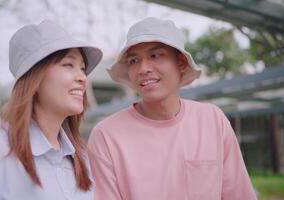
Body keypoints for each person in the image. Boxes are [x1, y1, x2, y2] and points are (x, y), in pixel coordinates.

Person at [87, 17, 257, 200]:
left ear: (181, 63)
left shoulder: (212, 120)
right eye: (134, 60)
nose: (143, 68)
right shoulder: (107, 136)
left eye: (155, 55)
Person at [0, 20, 102, 200]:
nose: (83, 78)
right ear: (35, 77)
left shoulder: (82, 161)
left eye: (82, 68)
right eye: (68, 65)